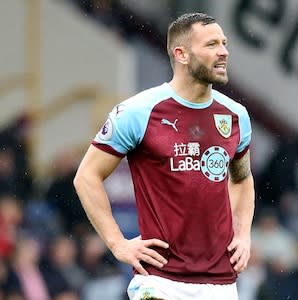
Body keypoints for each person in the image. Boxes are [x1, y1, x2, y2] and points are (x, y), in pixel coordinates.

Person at [73, 12, 255, 300]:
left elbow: (242, 179)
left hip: (221, 283)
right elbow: (86, 176)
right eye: (211, 45)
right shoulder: (138, 112)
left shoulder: (235, 116)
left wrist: (243, 235)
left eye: (224, 43)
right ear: (181, 54)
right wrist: (117, 243)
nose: (223, 51)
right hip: (159, 281)